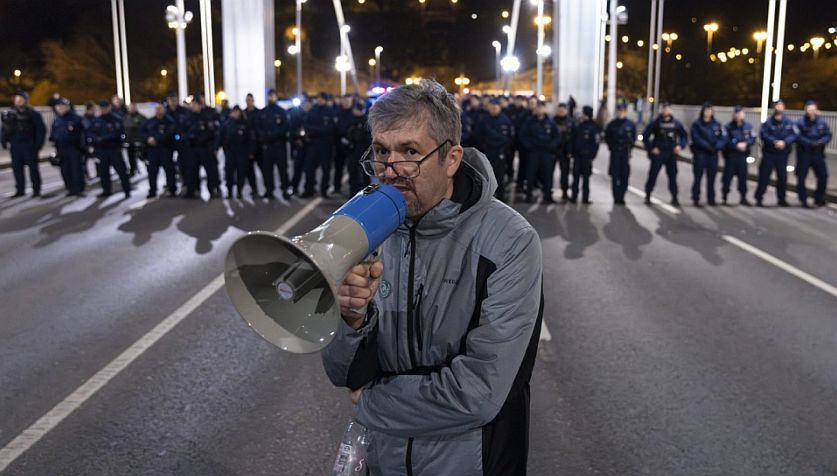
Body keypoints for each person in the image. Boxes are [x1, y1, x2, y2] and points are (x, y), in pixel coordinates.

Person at [322, 79, 543, 475]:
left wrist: (371, 401)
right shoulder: (366, 228)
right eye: (380, 151)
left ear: (452, 158)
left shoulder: (510, 240)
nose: (391, 171)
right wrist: (352, 320)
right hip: (382, 458)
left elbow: (478, 393)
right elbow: (341, 372)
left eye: (410, 152)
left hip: (470, 461)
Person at [641, 101, 688, 206]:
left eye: (668, 109)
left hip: (671, 153)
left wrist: (680, 146)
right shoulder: (656, 123)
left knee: (672, 177)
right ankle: (648, 195)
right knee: (653, 175)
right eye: (664, 108)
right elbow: (645, 136)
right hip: (659, 153)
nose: (666, 110)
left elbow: (684, 136)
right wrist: (651, 148)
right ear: (662, 110)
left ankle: (674, 197)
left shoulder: (676, 123)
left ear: (671, 110)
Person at [1, 91, 45, 197]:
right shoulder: (11, 113)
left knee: (33, 169)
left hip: (29, 145)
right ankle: (20, 190)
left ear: (26, 101)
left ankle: (36, 190)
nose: (19, 102)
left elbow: (40, 130)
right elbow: (4, 128)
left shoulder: (33, 114)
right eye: (17, 100)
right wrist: (3, 141)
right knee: (17, 169)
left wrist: (38, 145)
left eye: (21, 100)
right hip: (16, 145)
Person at [755, 99, 797, 207]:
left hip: (782, 154)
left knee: (782, 177)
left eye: (781, 105)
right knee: (764, 176)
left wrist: (785, 142)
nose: (779, 107)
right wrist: (775, 142)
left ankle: (781, 199)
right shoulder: (768, 122)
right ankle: (759, 197)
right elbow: (764, 134)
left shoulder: (789, 122)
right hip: (769, 153)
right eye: (777, 105)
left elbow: (794, 135)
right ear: (774, 108)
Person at [87, 101, 131, 198]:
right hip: (101, 150)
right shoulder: (96, 120)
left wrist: (104, 139)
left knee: (121, 171)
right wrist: (96, 140)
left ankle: (127, 189)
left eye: (105, 108)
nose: (103, 110)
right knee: (103, 172)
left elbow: (118, 133)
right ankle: (106, 190)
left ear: (109, 108)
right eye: (102, 108)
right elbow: (90, 133)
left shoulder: (116, 119)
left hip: (113, 148)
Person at [520, 100, 560, 203]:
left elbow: (556, 137)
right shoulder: (529, 122)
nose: (540, 109)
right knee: (531, 174)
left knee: (547, 174)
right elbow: (523, 136)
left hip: (546, 153)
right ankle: (528, 194)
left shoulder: (551, 123)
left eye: (542, 107)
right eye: (538, 107)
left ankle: (548, 195)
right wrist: (529, 146)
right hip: (533, 152)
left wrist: (551, 146)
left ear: (545, 109)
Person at [184, 94, 222, 198]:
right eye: (193, 104)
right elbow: (184, 131)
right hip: (193, 148)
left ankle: (213, 189)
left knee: (211, 170)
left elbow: (211, 132)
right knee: (192, 170)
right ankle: (193, 190)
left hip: (205, 147)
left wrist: (206, 141)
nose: (193, 106)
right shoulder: (189, 117)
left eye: (196, 104)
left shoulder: (207, 116)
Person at [795, 100, 832, 207]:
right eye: (809, 109)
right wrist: (809, 143)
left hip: (817, 153)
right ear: (805, 110)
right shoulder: (800, 122)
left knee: (823, 176)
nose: (811, 111)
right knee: (801, 176)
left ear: (816, 110)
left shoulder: (821, 122)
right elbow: (797, 136)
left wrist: (820, 142)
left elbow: (828, 134)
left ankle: (819, 198)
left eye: (813, 109)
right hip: (804, 153)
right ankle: (803, 199)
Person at [689, 101, 726, 207]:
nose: (708, 113)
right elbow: (696, 138)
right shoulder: (697, 124)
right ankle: (696, 198)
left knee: (712, 178)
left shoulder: (717, 124)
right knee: (698, 177)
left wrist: (717, 147)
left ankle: (711, 198)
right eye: (706, 110)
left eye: (710, 110)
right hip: (701, 154)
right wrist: (707, 147)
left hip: (713, 155)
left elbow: (723, 137)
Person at [476, 98, 514, 202]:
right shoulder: (484, 120)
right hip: (487, 151)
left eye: (496, 107)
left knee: (500, 174)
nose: (494, 109)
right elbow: (478, 135)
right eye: (492, 107)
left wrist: (504, 148)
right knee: (486, 174)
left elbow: (509, 137)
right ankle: (487, 196)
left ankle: (500, 195)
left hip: (500, 151)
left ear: (500, 108)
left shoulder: (505, 120)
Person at [256, 89, 291, 199]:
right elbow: (258, 127)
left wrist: (274, 135)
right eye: (270, 96)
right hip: (267, 146)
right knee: (267, 170)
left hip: (279, 145)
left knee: (282, 169)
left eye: (273, 96)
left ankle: (285, 189)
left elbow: (285, 127)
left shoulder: (281, 112)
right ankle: (269, 190)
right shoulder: (263, 112)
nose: (271, 98)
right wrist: (265, 136)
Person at [300, 92, 336, 198]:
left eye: (321, 98)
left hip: (325, 145)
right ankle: (308, 189)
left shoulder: (329, 112)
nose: (319, 100)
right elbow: (306, 126)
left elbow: (328, 129)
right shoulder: (312, 111)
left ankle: (324, 190)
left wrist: (314, 130)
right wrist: (317, 130)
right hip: (313, 144)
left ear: (325, 100)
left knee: (326, 169)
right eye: (318, 98)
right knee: (309, 168)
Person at [215, 106, 255, 198]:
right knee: (229, 173)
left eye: (237, 112)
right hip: (230, 152)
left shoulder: (245, 124)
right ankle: (229, 191)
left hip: (242, 152)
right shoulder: (227, 124)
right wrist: (216, 148)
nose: (235, 114)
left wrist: (251, 151)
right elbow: (220, 137)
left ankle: (239, 191)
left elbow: (250, 139)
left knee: (241, 173)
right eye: (234, 112)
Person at [49, 97, 86, 196]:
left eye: (62, 106)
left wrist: (83, 147)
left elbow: (83, 133)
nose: (60, 108)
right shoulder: (57, 119)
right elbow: (53, 132)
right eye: (58, 106)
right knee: (65, 170)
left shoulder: (76, 118)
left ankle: (79, 189)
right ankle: (70, 188)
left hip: (74, 148)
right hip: (61, 148)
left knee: (76, 169)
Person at [140, 102, 178, 198]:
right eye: (157, 109)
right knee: (152, 172)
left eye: (160, 108)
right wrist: (148, 139)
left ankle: (172, 189)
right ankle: (152, 190)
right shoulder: (149, 121)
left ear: (164, 110)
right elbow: (142, 132)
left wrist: (156, 139)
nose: (158, 110)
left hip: (165, 149)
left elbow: (170, 134)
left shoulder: (169, 121)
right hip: (152, 150)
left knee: (169, 170)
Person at [722, 106, 755, 206]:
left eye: (741, 113)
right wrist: (736, 145)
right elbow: (725, 140)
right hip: (731, 155)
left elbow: (753, 138)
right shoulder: (728, 127)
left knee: (743, 178)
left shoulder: (748, 126)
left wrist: (746, 144)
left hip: (742, 156)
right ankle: (725, 196)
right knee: (727, 177)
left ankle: (743, 197)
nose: (739, 115)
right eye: (737, 113)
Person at [605, 103, 637, 205]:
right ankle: (616, 197)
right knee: (615, 176)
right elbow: (607, 137)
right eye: (619, 111)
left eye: (622, 111)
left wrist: (630, 146)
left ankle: (622, 196)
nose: (621, 113)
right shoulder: (612, 124)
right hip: (615, 153)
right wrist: (611, 146)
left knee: (625, 176)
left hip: (625, 153)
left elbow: (634, 137)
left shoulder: (630, 124)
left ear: (625, 112)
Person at [569, 105, 601, 204]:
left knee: (585, 178)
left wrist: (592, 156)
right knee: (576, 177)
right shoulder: (579, 126)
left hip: (586, 157)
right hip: (578, 156)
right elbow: (573, 140)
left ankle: (584, 198)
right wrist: (571, 152)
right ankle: (574, 196)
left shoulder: (593, 127)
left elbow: (596, 143)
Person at [343, 101, 372, 195]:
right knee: (352, 172)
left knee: (364, 174)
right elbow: (344, 132)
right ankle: (353, 192)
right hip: (352, 151)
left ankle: (366, 193)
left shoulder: (366, 121)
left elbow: (369, 138)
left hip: (363, 151)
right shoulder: (350, 119)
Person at [553, 102, 575, 202]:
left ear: (566, 111)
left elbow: (574, 137)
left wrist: (571, 150)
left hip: (565, 152)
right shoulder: (552, 121)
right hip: (553, 150)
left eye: (563, 110)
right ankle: (547, 191)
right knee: (548, 172)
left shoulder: (571, 122)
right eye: (559, 110)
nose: (561, 112)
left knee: (565, 173)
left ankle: (565, 191)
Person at [333, 94, 355, 194]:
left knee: (352, 169)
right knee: (338, 167)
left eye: (348, 100)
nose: (346, 102)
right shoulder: (338, 113)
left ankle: (352, 189)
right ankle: (336, 187)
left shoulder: (354, 113)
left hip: (351, 146)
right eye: (344, 100)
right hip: (339, 145)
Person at [243, 93, 262, 196]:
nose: (248, 102)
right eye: (247, 100)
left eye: (250, 100)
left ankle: (268, 188)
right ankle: (253, 188)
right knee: (249, 170)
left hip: (258, 145)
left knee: (263, 168)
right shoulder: (244, 113)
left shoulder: (259, 113)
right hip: (248, 145)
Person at [123, 102, 146, 176]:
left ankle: (145, 170)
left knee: (142, 157)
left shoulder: (141, 117)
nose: (131, 109)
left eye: (133, 107)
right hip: (129, 141)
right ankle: (133, 170)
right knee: (131, 157)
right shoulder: (126, 117)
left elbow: (144, 129)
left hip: (139, 141)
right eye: (130, 108)